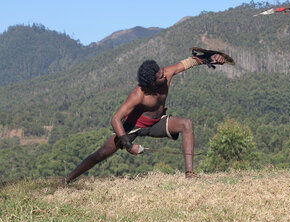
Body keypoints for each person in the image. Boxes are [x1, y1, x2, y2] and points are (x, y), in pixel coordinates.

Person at [64, 51, 227, 183]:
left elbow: (189, 62)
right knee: (100, 154)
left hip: (157, 122)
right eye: (160, 78)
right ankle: (68, 180)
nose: (164, 77)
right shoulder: (137, 94)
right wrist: (128, 146)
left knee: (187, 124)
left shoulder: (166, 73)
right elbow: (115, 119)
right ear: (150, 84)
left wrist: (211, 58)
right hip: (133, 127)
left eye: (162, 73)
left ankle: (190, 174)